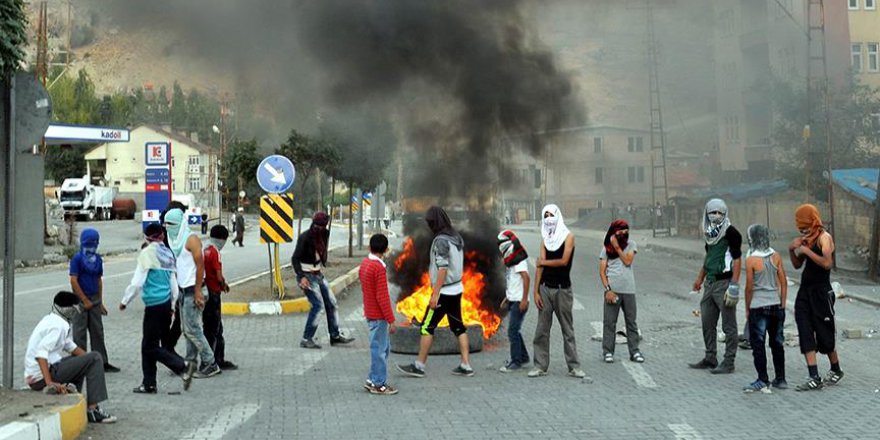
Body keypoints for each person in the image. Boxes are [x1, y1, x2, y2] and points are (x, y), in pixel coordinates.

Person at [397, 206, 474, 378]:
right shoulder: (456, 237)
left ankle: (419, 366)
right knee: (458, 327)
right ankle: (466, 365)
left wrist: (435, 294)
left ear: (434, 223)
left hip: (444, 293)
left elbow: (442, 269)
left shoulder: (441, 241)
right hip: (456, 290)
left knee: (426, 327)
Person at [120, 223, 196, 394]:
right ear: (162, 235)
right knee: (148, 344)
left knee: (150, 347)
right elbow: (173, 283)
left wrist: (125, 301)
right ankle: (149, 383)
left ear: (147, 237)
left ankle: (182, 366)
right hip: (165, 305)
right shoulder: (167, 253)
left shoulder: (147, 254)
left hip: (153, 306)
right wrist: (172, 306)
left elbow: (137, 282)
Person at [24, 291, 117, 423]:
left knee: (90, 360)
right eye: (74, 309)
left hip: (38, 375)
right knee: (96, 357)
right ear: (67, 310)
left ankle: (70, 393)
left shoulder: (54, 319)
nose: (76, 313)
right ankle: (93, 410)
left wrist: (89, 362)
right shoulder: (58, 326)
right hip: (41, 378)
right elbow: (41, 353)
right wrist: (49, 382)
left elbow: (70, 347)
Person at [789, 204, 843, 391]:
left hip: (822, 292)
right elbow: (797, 265)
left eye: (805, 226)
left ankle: (836, 369)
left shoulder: (824, 238)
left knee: (824, 332)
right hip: (805, 291)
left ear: (813, 221)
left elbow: (827, 263)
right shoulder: (807, 240)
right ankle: (814, 376)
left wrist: (807, 251)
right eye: (800, 227)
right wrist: (792, 249)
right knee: (804, 330)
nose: (803, 230)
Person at [529, 204, 587, 379]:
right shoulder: (544, 239)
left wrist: (542, 262)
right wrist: (536, 291)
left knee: (567, 330)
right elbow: (539, 267)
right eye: (545, 216)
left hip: (563, 290)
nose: (548, 220)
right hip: (546, 289)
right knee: (541, 330)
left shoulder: (568, 237)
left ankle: (574, 366)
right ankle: (540, 365)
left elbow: (563, 261)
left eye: (551, 216)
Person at [164, 208, 220, 378]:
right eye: (166, 224)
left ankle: (210, 363)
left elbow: (200, 266)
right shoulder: (175, 239)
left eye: (171, 224)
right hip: (183, 290)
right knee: (187, 329)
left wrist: (197, 292)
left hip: (194, 290)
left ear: (180, 223)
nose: (167, 227)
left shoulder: (191, 239)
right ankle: (190, 363)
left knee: (193, 330)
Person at [689, 198, 742, 374]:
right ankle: (710, 357)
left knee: (729, 326)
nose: (716, 215)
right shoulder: (709, 234)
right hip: (709, 283)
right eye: (713, 212)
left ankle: (729, 362)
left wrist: (734, 285)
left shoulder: (731, 233)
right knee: (707, 322)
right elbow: (709, 258)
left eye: (720, 212)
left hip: (724, 283)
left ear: (725, 213)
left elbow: (737, 260)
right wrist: (699, 279)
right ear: (707, 213)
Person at [293, 212, 354, 348]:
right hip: (306, 275)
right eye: (317, 226)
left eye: (322, 226)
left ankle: (335, 335)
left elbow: (321, 252)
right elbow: (295, 258)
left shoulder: (325, 234)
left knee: (332, 303)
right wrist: (301, 277)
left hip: (318, 274)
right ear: (313, 224)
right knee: (318, 306)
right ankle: (306, 338)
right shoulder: (305, 237)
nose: (319, 229)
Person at [742, 224, 787, 394]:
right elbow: (783, 282)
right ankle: (781, 378)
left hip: (758, 307)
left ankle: (762, 379)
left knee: (758, 344)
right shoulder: (775, 256)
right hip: (776, 305)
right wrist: (782, 303)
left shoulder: (751, 259)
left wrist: (747, 307)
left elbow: (748, 288)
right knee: (777, 343)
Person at [69, 228, 119, 373]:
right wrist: (84, 299)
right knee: (79, 333)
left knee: (98, 332)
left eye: (95, 242)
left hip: (95, 299)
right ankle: (79, 363)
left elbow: (98, 280)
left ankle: (102, 362)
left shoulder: (97, 259)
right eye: (90, 242)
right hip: (79, 300)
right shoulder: (77, 259)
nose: (93, 245)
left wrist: (100, 301)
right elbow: (73, 280)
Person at [599, 219, 643, 364]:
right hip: (613, 291)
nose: (623, 233)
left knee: (631, 323)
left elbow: (628, 261)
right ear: (613, 231)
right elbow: (602, 272)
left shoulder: (631, 244)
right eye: (620, 230)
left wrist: (617, 247)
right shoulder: (606, 249)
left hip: (629, 290)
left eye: (626, 230)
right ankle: (608, 352)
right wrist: (608, 290)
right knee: (610, 323)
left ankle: (635, 352)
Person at [360, 234, 398, 395]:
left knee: (381, 348)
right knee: (380, 350)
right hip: (379, 316)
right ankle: (378, 384)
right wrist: (391, 319)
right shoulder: (379, 268)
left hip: (370, 312)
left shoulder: (365, 263)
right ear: (386, 250)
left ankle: (372, 378)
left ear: (369, 248)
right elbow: (382, 297)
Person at [202, 225, 238, 370]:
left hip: (205, 292)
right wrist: (224, 284)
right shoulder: (215, 252)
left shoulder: (205, 249)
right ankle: (214, 361)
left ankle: (214, 359)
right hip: (213, 294)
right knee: (215, 329)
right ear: (222, 239)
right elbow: (218, 275)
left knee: (210, 328)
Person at [497, 229, 530, 373]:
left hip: (519, 301)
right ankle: (523, 357)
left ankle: (516, 361)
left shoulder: (519, 259)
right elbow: (512, 281)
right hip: (513, 299)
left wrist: (524, 300)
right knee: (515, 330)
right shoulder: (511, 260)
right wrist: (506, 297)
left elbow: (526, 278)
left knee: (512, 331)